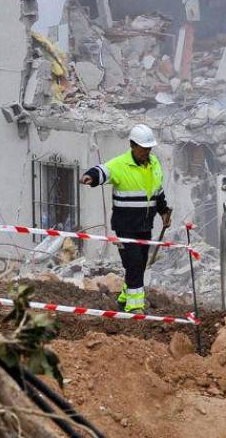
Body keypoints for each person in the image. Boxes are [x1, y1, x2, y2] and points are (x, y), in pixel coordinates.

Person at [79, 124, 171, 312]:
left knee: (140, 263)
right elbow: (103, 170)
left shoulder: (154, 165)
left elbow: (158, 192)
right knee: (134, 263)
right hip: (125, 227)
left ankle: (124, 297)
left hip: (145, 226)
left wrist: (163, 212)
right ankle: (134, 308)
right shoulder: (121, 164)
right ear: (132, 145)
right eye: (144, 148)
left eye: (149, 148)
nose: (147, 152)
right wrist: (91, 176)